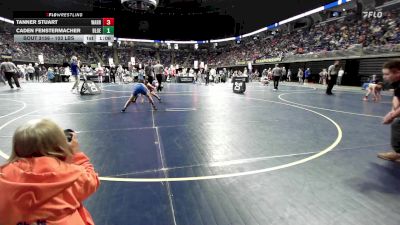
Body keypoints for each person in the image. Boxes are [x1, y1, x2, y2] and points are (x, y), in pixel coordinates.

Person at [0, 119, 99, 225]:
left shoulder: (3, 177)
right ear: (59, 146)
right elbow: (92, 179)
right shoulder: (72, 175)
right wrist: (76, 154)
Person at [377, 60, 400, 161]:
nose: (384, 77)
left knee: (397, 124)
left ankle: (398, 154)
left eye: (387, 74)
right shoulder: (396, 82)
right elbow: (396, 96)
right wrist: (393, 111)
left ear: (397, 73)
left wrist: (392, 116)